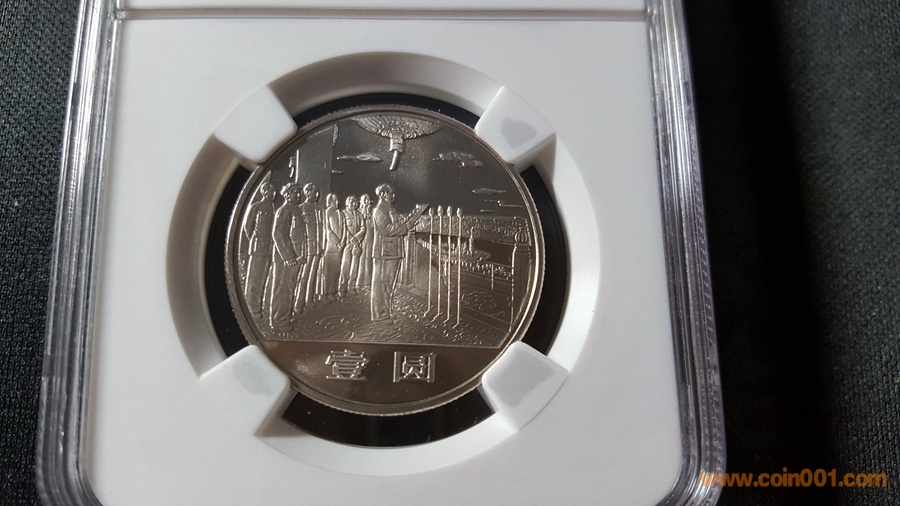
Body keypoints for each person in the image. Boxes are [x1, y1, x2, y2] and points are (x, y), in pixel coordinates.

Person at [371, 184, 427, 321]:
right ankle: (380, 314)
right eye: (391, 193)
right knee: (383, 284)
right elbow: (388, 230)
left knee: (388, 285)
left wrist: (409, 221)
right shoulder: (379, 210)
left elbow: (397, 224)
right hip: (385, 253)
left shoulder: (389, 208)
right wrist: (406, 226)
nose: (393, 195)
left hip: (391, 252)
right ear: (383, 194)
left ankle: (385, 311)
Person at [269, 183, 306, 331]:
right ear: (287, 195)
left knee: (290, 287)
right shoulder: (284, 211)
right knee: (282, 289)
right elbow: (278, 234)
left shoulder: (296, 210)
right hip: (285, 259)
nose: (299, 195)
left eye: (299, 192)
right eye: (295, 192)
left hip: (295, 257)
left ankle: (286, 315)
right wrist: (288, 257)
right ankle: (279, 321)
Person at [242, 182, 276, 320]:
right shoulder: (256, 207)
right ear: (264, 192)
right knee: (255, 279)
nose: (274, 194)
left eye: (274, 192)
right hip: (258, 249)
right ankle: (252, 308)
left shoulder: (273, 208)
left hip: (269, 249)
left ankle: (263, 307)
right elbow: (248, 227)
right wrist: (256, 240)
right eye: (271, 192)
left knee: (265, 279)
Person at [297, 182, 323, 305]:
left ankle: (309, 299)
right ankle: (299, 301)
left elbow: (322, 228)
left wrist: (322, 245)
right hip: (306, 248)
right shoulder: (301, 208)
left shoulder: (319, 209)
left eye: (317, 192)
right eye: (314, 192)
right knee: (303, 275)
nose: (317, 195)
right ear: (307, 193)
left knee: (313, 274)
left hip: (317, 247)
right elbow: (298, 231)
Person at [321, 193, 345, 300]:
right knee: (329, 270)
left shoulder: (340, 213)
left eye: (337, 200)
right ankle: (327, 292)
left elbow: (344, 229)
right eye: (334, 200)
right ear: (329, 201)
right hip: (330, 246)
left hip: (340, 247)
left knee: (336, 270)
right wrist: (337, 242)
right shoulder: (327, 212)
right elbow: (327, 230)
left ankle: (334, 290)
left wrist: (342, 241)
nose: (337, 202)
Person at [340, 195, 365, 296]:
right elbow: (343, 228)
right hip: (347, 244)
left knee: (355, 266)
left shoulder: (360, 215)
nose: (354, 204)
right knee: (345, 266)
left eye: (355, 202)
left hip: (356, 244)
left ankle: (352, 287)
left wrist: (356, 238)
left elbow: (363, 229)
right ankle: (342, 288)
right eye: (352, 202)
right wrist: (351, 238)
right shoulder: (343, 214)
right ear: (347, 204)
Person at [356, 193, 374, 291]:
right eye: (365, 201)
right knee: (360, 261)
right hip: (361, 240)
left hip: (370, 240)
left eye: (368, 201)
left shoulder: (372, 215)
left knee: (368, 260)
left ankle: (367, 281)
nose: (367, 203)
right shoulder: (358, 214)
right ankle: (358, 282)